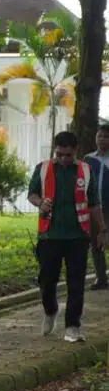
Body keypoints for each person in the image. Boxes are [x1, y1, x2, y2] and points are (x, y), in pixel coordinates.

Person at [28, 130, 107, 343]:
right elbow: (32, 194)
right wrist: (40, 202)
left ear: (76, 152)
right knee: (47, 281)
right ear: (55, 151)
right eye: (59, 154)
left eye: (68, 155)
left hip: (78, 236)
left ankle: (73, 326)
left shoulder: (85, 170)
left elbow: (94, 204)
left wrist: (101, 230)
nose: (63, 159)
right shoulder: (43, 169)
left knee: (76, 283)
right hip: (49, 235)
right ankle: (51, 310)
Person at [85, 124, 109, 290]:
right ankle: (101, 279)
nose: (102, 140)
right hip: (93, 207)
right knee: (96, 243)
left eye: (106, 137)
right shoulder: (88, 159)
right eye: (99, 136)